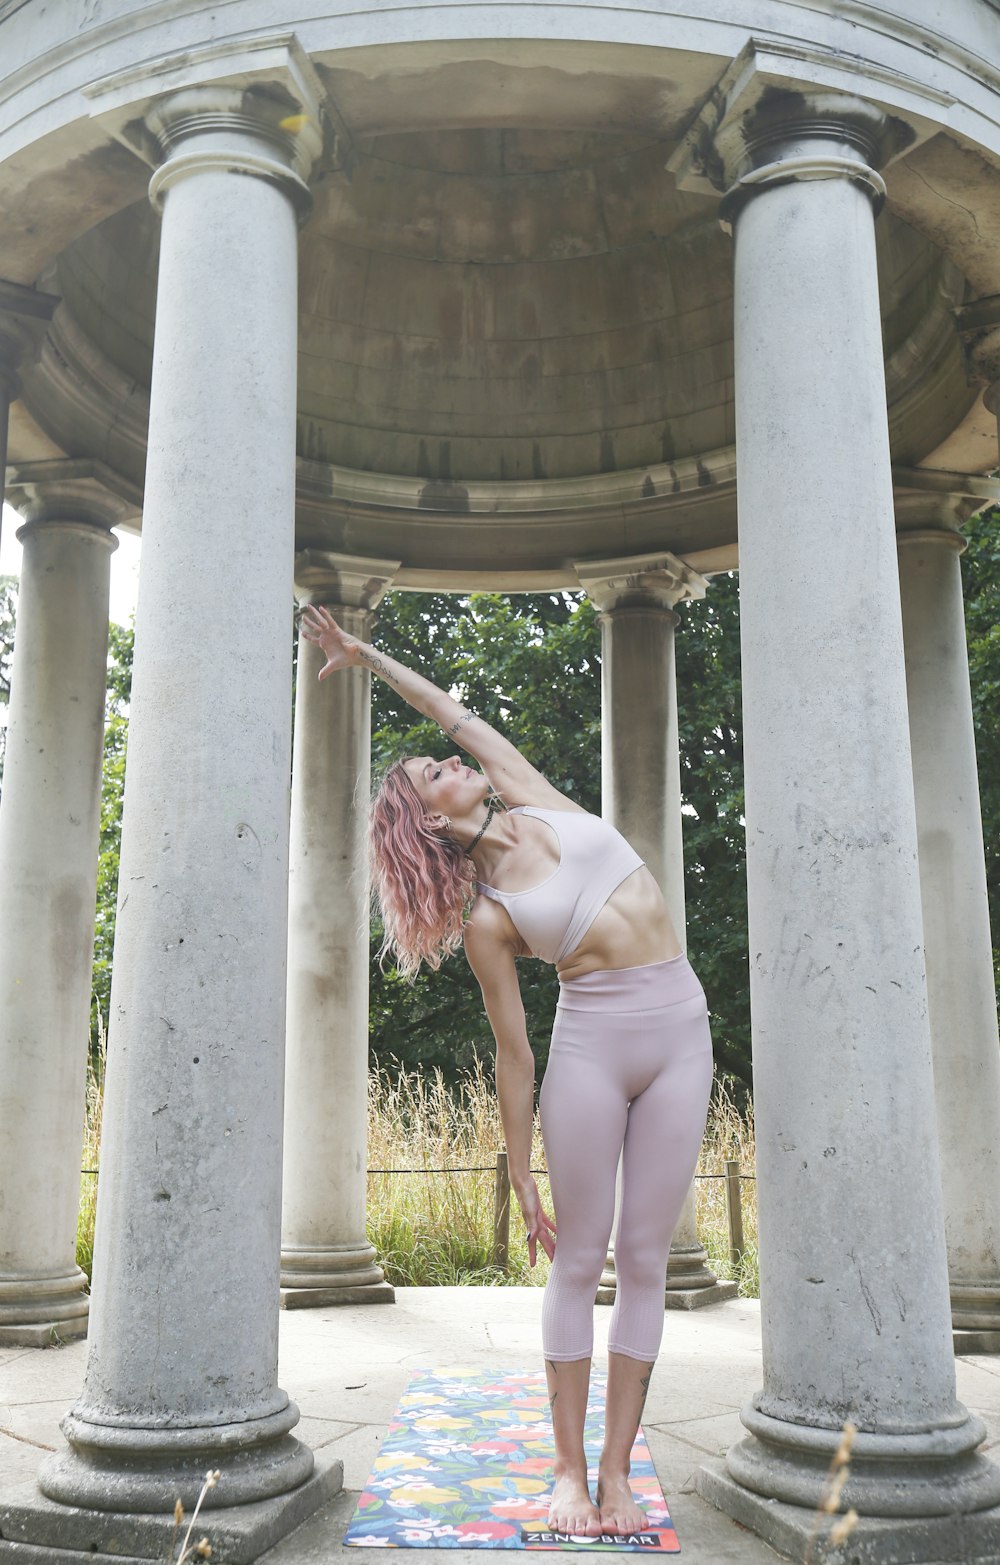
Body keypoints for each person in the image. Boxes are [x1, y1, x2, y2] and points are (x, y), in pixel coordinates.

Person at [301, 603, 715, 1540]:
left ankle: (617, 1474)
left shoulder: (533, 797)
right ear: (430, 819)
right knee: (580, 1254)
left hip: (681, 1029)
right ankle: (568, 1473)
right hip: (593, 1050)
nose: (452, 762)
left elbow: (454, 711)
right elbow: (515, 1049)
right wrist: (519, 1166)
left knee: (645, 1259)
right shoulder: (489, 918)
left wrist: (366, 655)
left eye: (444, 759)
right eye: (433, 774)